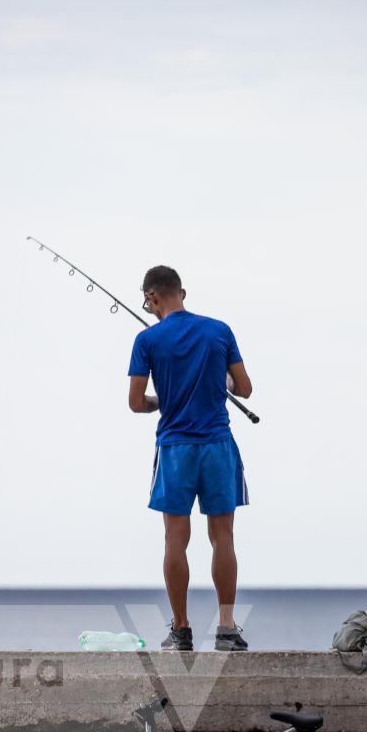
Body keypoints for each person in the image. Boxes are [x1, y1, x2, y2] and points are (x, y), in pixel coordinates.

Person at [127, 265, 253, 652]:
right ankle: (227, 628)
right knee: (223, 537)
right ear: (182, 291)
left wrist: (160, 401)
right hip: (217, 444)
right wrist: (223, 383)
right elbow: (244, 388)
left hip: (176, 449)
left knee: (175, 540)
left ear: (151, 298)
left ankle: (181, 630)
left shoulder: (147, 340)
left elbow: (135, 403)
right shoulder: (219, 330)